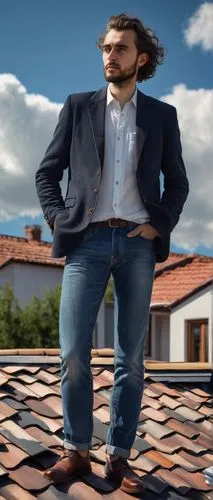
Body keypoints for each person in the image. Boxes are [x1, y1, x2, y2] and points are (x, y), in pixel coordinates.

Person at [35, 13, 189, 495]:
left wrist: (157, 224)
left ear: (140, 59)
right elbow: (47, 172)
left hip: (137, 246)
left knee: (130, 359)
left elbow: (178, 183)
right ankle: (76, 450)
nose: (110, 55)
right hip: (87, 242)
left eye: (120, 48)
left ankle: (118, 455)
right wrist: (61, 221)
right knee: (74, 353)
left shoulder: (161, 116)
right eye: (106, 47)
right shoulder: (78, 107)